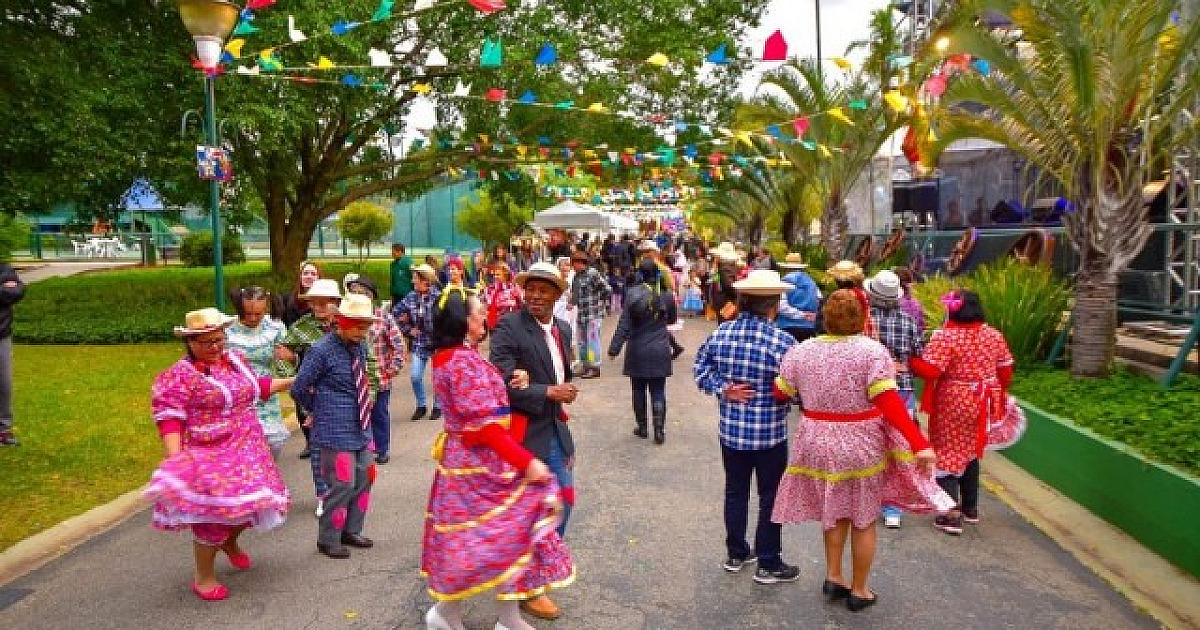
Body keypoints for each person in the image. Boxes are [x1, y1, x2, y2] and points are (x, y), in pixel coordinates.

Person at [771, 290, 948, 611]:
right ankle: (860, 589)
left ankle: (834, 576)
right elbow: (889, 403)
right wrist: (919, 443)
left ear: (826, 317)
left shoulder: (801, 351)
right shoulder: (872, 352)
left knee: (834, 511)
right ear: (862, 318)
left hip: (815, 441)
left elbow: (781, 392)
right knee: (863, 519)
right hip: (859, 441)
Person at [422, 288, 575, 630]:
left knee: (503, 537)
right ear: (464, 321)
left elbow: (483, 401)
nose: (484, 318)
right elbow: (486, 427)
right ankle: (449, 613)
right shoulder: (460, 361)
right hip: (475, 467)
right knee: (482, 541)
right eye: (478, 313)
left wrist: (510, 380)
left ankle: (506, 617)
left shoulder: (459, 355)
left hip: (479, 462)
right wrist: (528, 462)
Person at [144, 308, 293, 600]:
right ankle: (204, 577)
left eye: (219, 340)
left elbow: (256, 389)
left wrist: (292, 381)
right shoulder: (179, 376)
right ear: (190, 343)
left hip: (249, 449)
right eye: (206, 342)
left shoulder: (235, 361)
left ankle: (229, 542)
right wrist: (176, 460)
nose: (214, 348)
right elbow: (169, 418)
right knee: (214, 517)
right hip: (210, 452)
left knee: (252, 507)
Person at [692, 270, 801, 585]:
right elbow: (793, 387)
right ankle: (768, 562)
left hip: (732, 431)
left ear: (741, 302)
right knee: (770, 496)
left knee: (735, 492)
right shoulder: (783, 342)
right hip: (770, 434)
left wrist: (724, 388)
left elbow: (701, 370)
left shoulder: (721, 334)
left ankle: (736, 552)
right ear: (772, 306)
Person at [488, 261, 579, 622]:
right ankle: (527, 587)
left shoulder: (563, 329)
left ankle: (534, 572)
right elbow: (500, 378)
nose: (536, 296)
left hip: (557, 429)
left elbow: (561, 372)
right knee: (529, 511)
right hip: (525, 435)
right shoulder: (509, 327)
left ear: (558, 295)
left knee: (564, 502)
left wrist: (563, 390)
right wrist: (548, 391)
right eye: (531, 289)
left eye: (545, 290)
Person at [912, 289, 1015, 536]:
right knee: (969, 451)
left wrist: (910, 362)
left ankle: (950, 514)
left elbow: (931, 371)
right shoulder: (993, 335)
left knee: (947, 452)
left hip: (955, 400)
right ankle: (971, 508)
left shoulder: (947, 337)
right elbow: (1006, 370)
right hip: (985, 400)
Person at [290, 294, 381, 560]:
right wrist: (316, 410)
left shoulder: (360, 347)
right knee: (342, 483)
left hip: (360, 426)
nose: (361, 332)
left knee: (365, 477)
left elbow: (362, 380)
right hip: (333, 428)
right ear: (341, 321)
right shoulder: (321, 350)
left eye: (365, 326)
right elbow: (298, 388)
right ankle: (328, 539)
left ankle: (351, 531)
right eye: (356, 326)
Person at [865, 270, 926, 528]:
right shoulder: (910, 322)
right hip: (901, 390)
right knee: (898, 449)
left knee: (871, 448)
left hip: (871, 393)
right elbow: (919, 356)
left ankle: (867, 503)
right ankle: (892, 510)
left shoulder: (865, 322)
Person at [280, 278, 342, 514]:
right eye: (314, 303)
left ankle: (343, 490)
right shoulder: (301, 327)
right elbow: (281, 353)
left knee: (344, 447)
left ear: (336, 303)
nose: (317, 308)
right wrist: (296, 375)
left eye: (323, 304)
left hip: (343, 395)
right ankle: (323, 494)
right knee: (317, 447)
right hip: (313, 396)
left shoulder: (347, 324)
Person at [608, 260, 677, 444]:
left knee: (638, 390)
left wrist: (614, 348)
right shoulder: (667, 295)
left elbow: (624, 324)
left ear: (640, 274)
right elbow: (671, 320)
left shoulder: (632, 294)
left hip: (637, 349)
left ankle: (643, 427)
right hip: (660, 349)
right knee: (658, 391)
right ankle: (659, 430)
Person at [344, 274, 406, 465]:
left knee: (379, 414)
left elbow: (398, 345)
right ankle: (363, 448)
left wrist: (392, 369)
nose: (357, 295)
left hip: (379, 379)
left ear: (371, 296)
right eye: (353, 292)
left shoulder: (382, 317)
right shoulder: (345, 317)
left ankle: (382, 448)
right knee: (357, 416)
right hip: (352, 378)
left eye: (362, 293)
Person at [225, 286, 294, 459]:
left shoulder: (275, 328)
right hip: (237, 395)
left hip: (267, 394)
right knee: (242, 447)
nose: (253, 318)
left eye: (258, 313)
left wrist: (291, 359)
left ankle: (266, 479)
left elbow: (285, 365)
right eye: (247, 313)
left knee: (273, 443)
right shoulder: (226, 330)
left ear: (266, 308)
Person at [396, 264, 443, 423]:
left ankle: (438, 406)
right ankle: (421, 405)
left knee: (438, 377)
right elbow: (394, 314)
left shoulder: (439, 297)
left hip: (438, 343)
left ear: (426, 281)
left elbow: (448, 319)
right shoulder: (410, 297)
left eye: (415, 278)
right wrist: (408, 329)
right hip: (420, 342)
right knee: (415, 376)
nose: (412, 280)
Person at [568, 250, 611, 379]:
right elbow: (575, 296)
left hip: (593, 315)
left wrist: (599, 303)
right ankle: (584, 366)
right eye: (573, 263)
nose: (574, 266)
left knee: (592, 342)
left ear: (582, 263)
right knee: (582, 342)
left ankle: (594, 367)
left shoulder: (592, 274)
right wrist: (571, 302)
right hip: (581, 315)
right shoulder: (576, 277)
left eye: (576, 263)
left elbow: (606, 289)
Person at [0, 263, 24, 445]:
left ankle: (3, 431)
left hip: (1, 336)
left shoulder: (4, 269)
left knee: (4, 384)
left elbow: (15, 293)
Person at [774, 253, 821, 343]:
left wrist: (801, 314)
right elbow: (818, 300)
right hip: (808, 327)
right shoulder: (812, 282)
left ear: (786, 268)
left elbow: (782, 306)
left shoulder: (784, 281)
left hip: (787, 327)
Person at [482, 261, 522, 330]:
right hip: (494, 326)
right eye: (494, 275)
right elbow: (485, 304)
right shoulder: (490, 289)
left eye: (498, 275)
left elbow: (521, 303)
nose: (495, 277)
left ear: (505, 275)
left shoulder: (513, 288)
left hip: (511, 324)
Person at [280, 260, 321, 326]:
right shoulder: (286, 299)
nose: (309, 277)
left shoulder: (325, 301)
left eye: (313, 274)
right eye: (305, 273)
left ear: (319, 278)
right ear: (300, 277)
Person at [390, 243, 413, 316]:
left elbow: (414, 278)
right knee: (394, 314)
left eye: (394, 252)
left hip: (406, 295)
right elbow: (393, 280)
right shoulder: (393, 265)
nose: (392, 254)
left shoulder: (408, 263)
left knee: (404, 316)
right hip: (396, 295)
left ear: (400, 252)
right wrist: (392, 294)